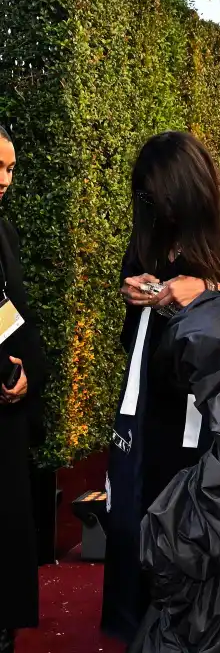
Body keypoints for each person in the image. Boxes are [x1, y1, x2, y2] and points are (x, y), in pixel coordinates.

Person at [101, 131, 220, 643]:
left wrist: (208, 292)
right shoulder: (156, 225)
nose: (156, 210)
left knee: (197, 534)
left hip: (216, 409)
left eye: (162, 199)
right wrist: (137, 290)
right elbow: (135, 291)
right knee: (140, 515)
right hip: (153, 401)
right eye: (147, 201)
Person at [0, 126, 47, 653]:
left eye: (11, 168)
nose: (5, 180)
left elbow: (15, 313)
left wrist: (25, 373)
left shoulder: (5, 230)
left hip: (9, 404)